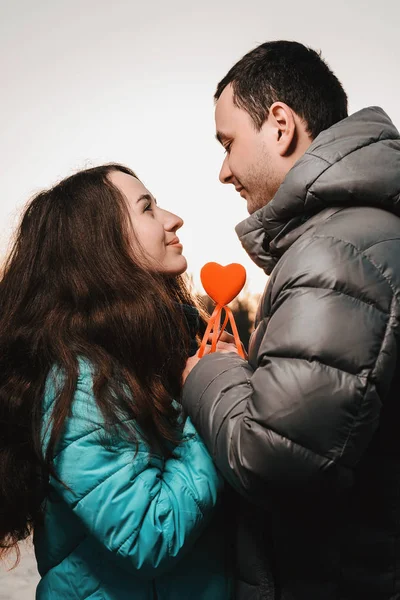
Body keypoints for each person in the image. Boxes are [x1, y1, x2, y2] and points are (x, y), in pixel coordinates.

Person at [182, 40, 400, 600]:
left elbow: (275, 460)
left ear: (280, 126)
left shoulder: (334, 251)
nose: (223, 170)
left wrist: (210, 372)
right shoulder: (360, 232)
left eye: (228, 143)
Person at [0, 164, 234, 599]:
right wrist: (206, 399)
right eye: (147, 208)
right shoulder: (79, 382)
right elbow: (150, 535)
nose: (172, 218)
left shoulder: (161, 344)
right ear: (102, 248)